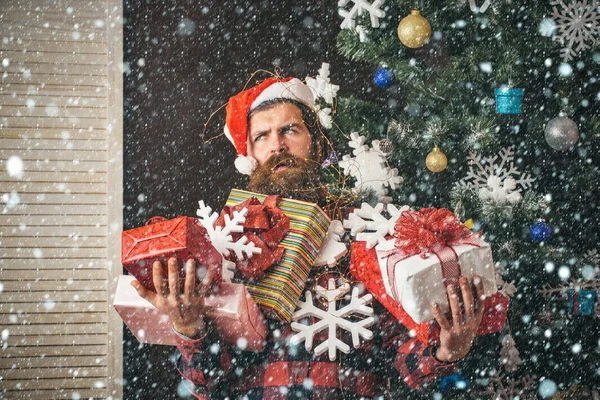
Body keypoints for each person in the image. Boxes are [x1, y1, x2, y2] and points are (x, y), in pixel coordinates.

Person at [132, 76, 489, 399]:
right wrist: (189, 327)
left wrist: (445, 351)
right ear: (250, 156)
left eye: (290, 130)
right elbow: (209, 384)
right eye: (262, 136)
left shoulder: (367, 233)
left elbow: (402, 362)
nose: (278, 146)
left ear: (315, 144)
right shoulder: (226, 244)